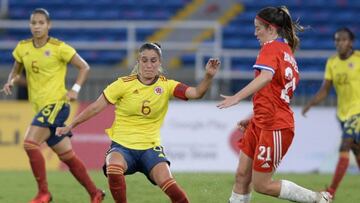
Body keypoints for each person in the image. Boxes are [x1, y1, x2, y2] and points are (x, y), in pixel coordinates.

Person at [55, 42, 220, 203]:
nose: (149, 64)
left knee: (170, 186)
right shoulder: (123, 85)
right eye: (144, 60)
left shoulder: (167, 86)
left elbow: (197, 93)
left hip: (150, 148)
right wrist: (70, 125)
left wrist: (208, 76)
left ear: (159, 63)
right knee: (113, 167)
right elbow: (95, 108)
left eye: (153, 60)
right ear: (138, 62)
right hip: (122, 147)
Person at [217, 6, 332, 203]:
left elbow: (266, 77)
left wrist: (237, 97)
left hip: (274, 126)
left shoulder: (270, 48)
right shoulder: (287, 52)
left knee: (262, 184)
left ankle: (318, 199)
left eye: (258, 28)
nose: (255, 33)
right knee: (242, 176)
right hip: (261, 121)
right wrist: (253, 116)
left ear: (271, 28)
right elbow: (278, 95)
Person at [1, 8, 104, 203]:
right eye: (34, 23)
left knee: (30, 144)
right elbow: (16, 70)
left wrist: (75, 88)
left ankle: (43, 194)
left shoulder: (59, 47)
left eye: (41, 23)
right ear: (29, 25)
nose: (37, 26)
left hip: (57, 104)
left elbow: (84, 67)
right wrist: (11, 81)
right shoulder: (22, 48)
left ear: (49, 25)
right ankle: (95, 192)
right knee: (67, 156)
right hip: (41, 107)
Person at [302, 27, 360, 198]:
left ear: (351, 42)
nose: (339, 43)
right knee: (356, 150)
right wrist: (310, 104)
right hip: (343, 113)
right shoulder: (332, 62)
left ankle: (330, 192)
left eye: (343, 40)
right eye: (337, 40)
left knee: (345, 146)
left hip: (358, 111)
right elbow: (325, 90)